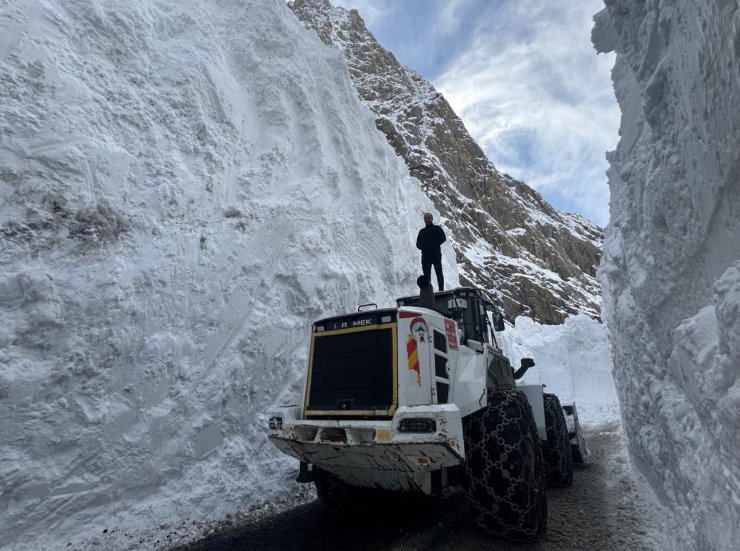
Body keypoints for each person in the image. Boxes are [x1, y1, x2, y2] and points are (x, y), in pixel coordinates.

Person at [416, 212, 446, 291]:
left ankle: (441, 289)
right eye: (426, 218)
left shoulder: (437, 228)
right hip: (425, 256)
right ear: (424, 220)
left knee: (439, 272)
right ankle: (428, 290)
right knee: (426, 274)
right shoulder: (421, 232)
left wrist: (434, 244)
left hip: (436, 255)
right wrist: (424, 247)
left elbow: (443, 238)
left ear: (432, 219)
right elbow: (418, 244)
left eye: (429, 218)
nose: (427, 220)